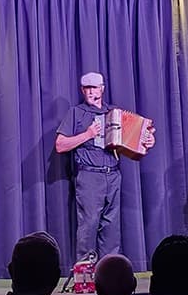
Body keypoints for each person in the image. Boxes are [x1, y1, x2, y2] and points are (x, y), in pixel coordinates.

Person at [55, 72, 155, 262]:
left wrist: (147, 140)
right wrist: (88, 134)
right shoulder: (76, 113)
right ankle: (85, 273)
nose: (92, 92)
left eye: (95, 87)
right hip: (90, 176)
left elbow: (133, 141)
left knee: (111, 226)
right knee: (89, 224)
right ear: (82, 90)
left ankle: (110, 271)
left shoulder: (114, 113)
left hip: (113, 175)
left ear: (102, 89)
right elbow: (60, 145)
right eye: (87, 88)